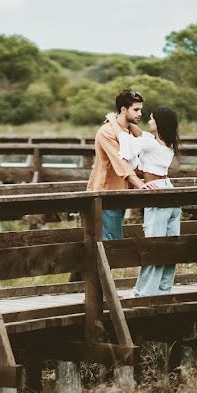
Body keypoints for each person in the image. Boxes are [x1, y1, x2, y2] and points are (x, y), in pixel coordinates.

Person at [71, 89, 150, 282]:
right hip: (104, 194)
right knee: (110, 243)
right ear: (124, 109)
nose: (140, 114)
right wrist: (141, 185)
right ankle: (100, 293)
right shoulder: (107, 132)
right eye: (136, 109)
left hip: (119, 193)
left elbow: (145, 145)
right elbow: (120, 162)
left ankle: (84, 286)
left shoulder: (126, 130)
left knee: (107, 242)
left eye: (141, 109)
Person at [105, 106, 181, 296]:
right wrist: (128, 120)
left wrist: (113, 120)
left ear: (159, 123)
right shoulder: (166, 143)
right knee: (170, 245)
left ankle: (144, 293)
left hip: (157, 192)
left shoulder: (151, 145)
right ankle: (164, 290)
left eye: (152, 119)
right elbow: (141, 134)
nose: (148, 121)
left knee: (153, 246)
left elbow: (126, 142)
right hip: (170, 190)